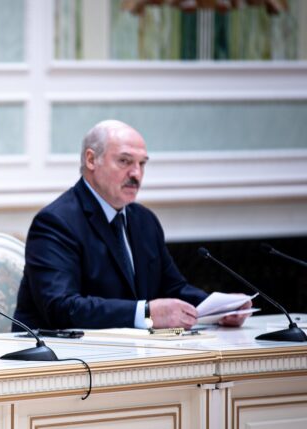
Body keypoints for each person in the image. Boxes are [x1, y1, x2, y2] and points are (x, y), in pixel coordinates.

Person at [13, 120, 251, 330]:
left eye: (142, 164)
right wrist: (145, 313)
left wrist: (218, 308)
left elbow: (173, 288)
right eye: (125, 161)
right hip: (62, 357)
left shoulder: (144, 220)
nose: (136, 174)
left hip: (130, 352)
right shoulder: (56, 222)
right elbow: (62, 308)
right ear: (91, 160)